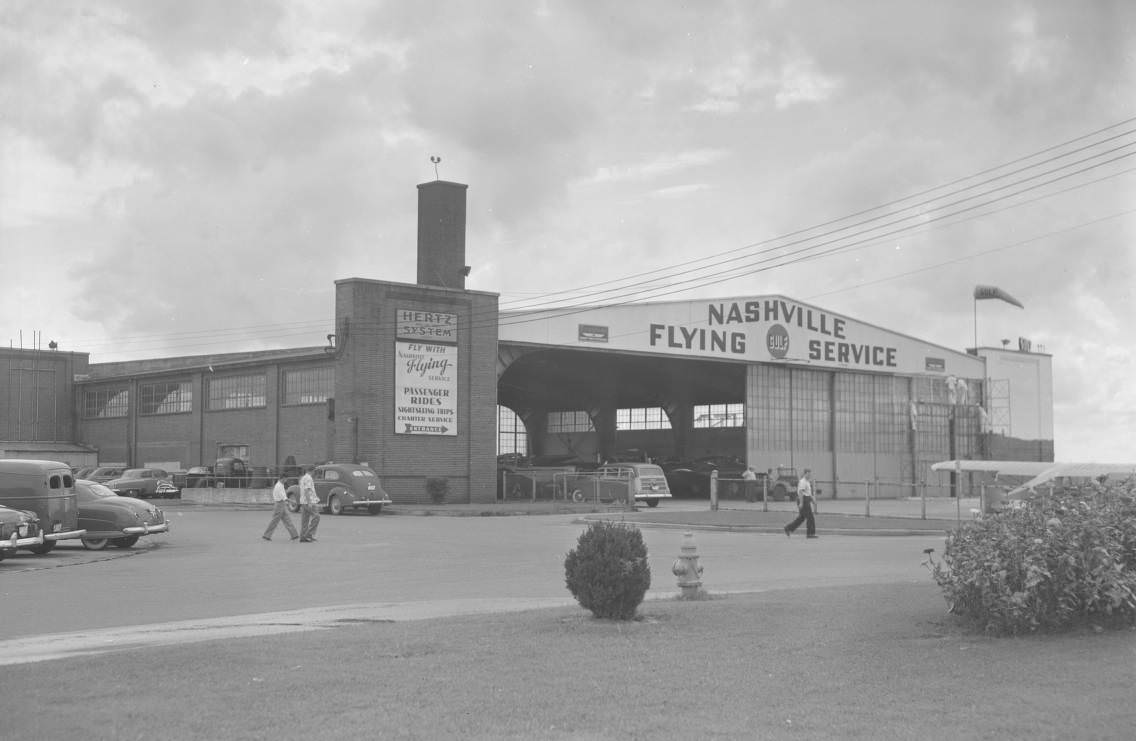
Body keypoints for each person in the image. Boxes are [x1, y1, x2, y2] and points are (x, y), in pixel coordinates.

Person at [262, 473, 300, 541]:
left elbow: (283, 497)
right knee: (275, 521)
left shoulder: (280, 485)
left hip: (281, 504)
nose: (286, 480)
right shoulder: (279, 486)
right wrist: (292, 501)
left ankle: (294, 535)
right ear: (283, 478)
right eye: (286, 479)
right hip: (279, 504)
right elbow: (284, 497)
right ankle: (266, 535)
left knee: (287, 520)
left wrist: (288, 502)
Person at [784, 468, 817, 539]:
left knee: (801, 518)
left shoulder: (807, 482)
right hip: (803, 500)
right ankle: (810, 534)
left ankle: (788, 528)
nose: (810, 475)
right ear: (805, 473)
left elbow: (808, 493)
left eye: (810, 473)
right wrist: (801, 503)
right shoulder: (802, 481)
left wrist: (812, 499)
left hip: (806, 499)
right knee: (810, 517)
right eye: (808, 473)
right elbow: (801, 492)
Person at [298, 465, 321, 542]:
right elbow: (307, 490)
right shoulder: (308, 478)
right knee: (316, 517)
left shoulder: (303, 478)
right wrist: (309, 502)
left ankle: (303, 537)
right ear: (313, 471)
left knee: (305, 520)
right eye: (315, 471)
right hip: (309, 501)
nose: (315, 473)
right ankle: (309, 534)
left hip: (303, 501)